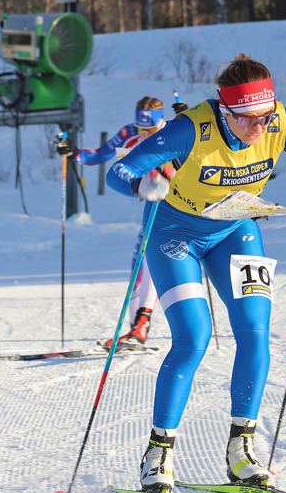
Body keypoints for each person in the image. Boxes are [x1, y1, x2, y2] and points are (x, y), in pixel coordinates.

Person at [106, 54, 286, 493]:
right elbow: (119, 170)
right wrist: (141, 185)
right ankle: (159, 454)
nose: (260, 129)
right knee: (194, 337)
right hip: (175, 234)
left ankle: (241, 451)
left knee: (255, 333)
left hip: (236, 230)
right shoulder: (190, 130)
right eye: (247, 120)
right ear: (225, 111)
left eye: (265, 117)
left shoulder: (280, 122)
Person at [57, 95, 189, 348]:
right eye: (140, 127)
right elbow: (97, 156)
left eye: (149, 129)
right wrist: (73, 153)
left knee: (149, 258)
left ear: (160, 123)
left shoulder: (172, 131)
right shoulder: (129, 133)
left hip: (176, 203)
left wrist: (186, 116)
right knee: (139, 262)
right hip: (150, 201)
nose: (143, 134)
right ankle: (136, 330)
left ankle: (141, 327)